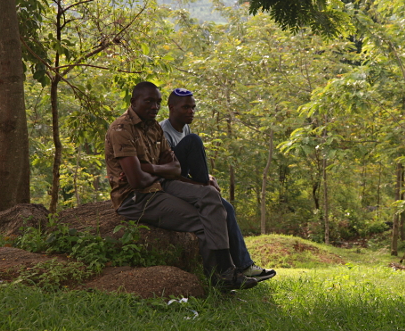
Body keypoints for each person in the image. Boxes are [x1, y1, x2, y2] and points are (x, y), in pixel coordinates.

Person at [104, 81, 257, 290]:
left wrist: (149, 168)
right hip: (136, 198)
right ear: (133, 102)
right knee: (204, 220)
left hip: (160, 185)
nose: (154, 107)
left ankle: (226, 271)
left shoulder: (154, 127)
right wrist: (158, 169)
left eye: (158, 102)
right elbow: (137, 182)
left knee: (210, 196)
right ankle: (223, 273)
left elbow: (175, 168)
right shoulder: (122, 128)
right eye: (148, 101)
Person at [160, 88, 276, 282]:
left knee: (227, 208)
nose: (191, 112)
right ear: (171, 108)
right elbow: (170, 173)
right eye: (186, 107)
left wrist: (207, 179)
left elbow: (185, 168)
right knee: (194, 141)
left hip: (185, 179)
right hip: (171, 184)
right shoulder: (163, 132)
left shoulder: (184, 128)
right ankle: (227, 269)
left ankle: (244, 265)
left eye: (193, 108)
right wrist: (203, 184)